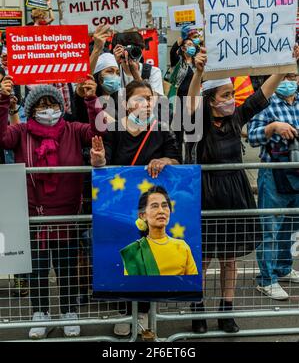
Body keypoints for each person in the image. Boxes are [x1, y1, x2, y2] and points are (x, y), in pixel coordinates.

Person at [187, 49, 292, 334]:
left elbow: (262, 95)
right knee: (204, 257)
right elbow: (189, 106)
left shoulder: (237, 118)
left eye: (233, 94)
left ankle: (226, 310)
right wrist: (198, 73)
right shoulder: (198, 125)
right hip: (205, 196)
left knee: (230, 258)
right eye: (225, 95)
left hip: (235, 192)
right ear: (210, 103)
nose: (232, 100)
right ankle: (198, 309)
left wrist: (285, 67)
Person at [0, 77, 105, 339]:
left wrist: (91, 100)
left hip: (67, 213)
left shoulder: (72, 129)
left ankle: (69, 311)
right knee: (36, 268)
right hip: (34, 214)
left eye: (53, 104)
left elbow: (97, 132)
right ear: (32, 108)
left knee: (66, 265)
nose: (49, 110)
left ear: (61, 106)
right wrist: (2, 101)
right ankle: (40, 313)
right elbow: (2, 138)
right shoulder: (21, 131)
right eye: (42, 105)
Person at [91, 79, 180, 336]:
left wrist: (164, 159)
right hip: (119, 208)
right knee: (123, 256)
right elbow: (102, 161)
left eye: (149, 98)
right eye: (139, 98)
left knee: (147, 257)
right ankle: (123, 311)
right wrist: (98, 158)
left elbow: (176, 158)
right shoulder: (114, 130)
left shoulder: (162, 129)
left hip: (148, 209)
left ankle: (143, 311)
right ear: (126, 104)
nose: (145, 103)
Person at [248, 62, 299, 300]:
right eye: (286, 76)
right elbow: (252, 136)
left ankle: (283, 268)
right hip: (273, 170)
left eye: (294, 76)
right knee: (270, 226)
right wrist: (273, 128)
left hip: (296, 171)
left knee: (289, 225)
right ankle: (266, 279)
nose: (290, 81)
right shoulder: (265, 103)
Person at [120, 186, 198, 276]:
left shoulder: (182, 247)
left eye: (165, 206)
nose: (161, 211)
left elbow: (192, 284)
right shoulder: (134, 251)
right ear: (143, 215)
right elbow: (131, 287)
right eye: (155, 206)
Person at [167, 37, 200, 161]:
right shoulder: (178, 62)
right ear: (183, 48)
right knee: (178, 133)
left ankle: (191, 159)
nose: (191, 47)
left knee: (193, 133)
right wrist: (180, 39)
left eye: (192, 44)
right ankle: (178, 159)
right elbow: (172, 51)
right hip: (179, 101)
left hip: (194, 102)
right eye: (188, 44)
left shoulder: (198, 63)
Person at [113, 32, 164, 96]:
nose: (131, 53)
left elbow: (154, 100)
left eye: (136, 51)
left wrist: (136, 75)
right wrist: (114, 63)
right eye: (128, 49)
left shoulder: (153, 71)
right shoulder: (112, 71)